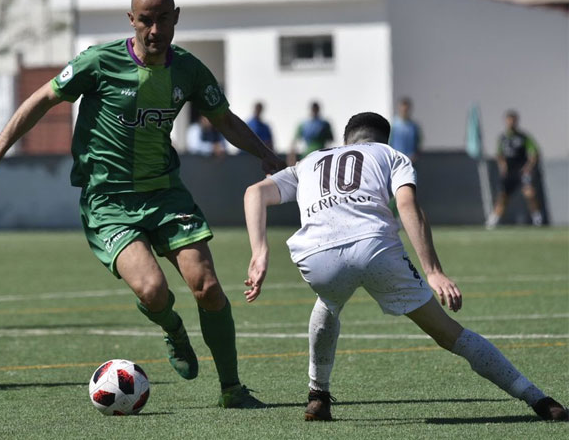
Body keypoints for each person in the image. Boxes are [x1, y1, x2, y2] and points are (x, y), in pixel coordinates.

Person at [0, 0, 284, 408]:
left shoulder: (188, 69)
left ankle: (232, 389)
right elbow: (42, 99)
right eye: (146, 21)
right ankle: (172, 328)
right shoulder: (99, 61)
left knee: (207, 287)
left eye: (163, 19)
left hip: (166, 194)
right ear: (131, 20)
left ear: (176, 18)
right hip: (110, 202)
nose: (155, 30)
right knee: (152, 291)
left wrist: (265, 154)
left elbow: (224, 120)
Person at [242, 112, 567, 421]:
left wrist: (259, 252)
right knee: (450, 334)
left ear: (346, 139)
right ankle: (537, 398)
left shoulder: (309, 162)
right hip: (375, 247)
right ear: (384, 140)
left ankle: (318, 395)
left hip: (315, 256)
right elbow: (408, 205)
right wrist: (433, 270)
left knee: (328, 301)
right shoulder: (390, 155)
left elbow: (254, 192)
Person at [485, 110, 543, 228]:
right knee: (502, 197)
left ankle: (538, 219)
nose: (511, 122)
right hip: (509, 172)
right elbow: (499, 154)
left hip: (521, 171)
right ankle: (492, 221)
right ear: (506, 121)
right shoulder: (502, 138)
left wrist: (528, 167)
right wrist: (502, 166)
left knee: (530, 194)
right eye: (509, 120)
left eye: (513, 120)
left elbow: (534, 153)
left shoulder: (524, 137)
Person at [287, 100, 333, 165]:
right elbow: (294, 143)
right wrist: (292, 158)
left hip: (321, 155)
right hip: (307, 155)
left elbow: (330, 141)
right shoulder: (304, 124)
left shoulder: (324, 124)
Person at [388, 96, 421, 162]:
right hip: (396, 160)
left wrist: (415, 155)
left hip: (410, 160)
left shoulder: (413, 126)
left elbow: (418, 142)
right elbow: (389, 142)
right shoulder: (394, 125)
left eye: (406, 110)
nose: (404, 111)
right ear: (399, 109)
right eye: (403, 109)